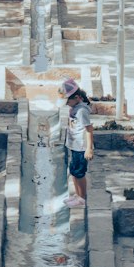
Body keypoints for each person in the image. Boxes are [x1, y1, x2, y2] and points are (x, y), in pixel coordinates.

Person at [59, 78, 94, 208]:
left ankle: (82, 198)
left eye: (68, 101)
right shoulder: (74, 108)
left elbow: (89, 129)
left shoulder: (81, 111)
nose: (67, 104)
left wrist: (89, 149)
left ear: (77, 97)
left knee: (79, 173)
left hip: (81, 147)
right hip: (74, 145)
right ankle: (77, 195)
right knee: (73, 171)